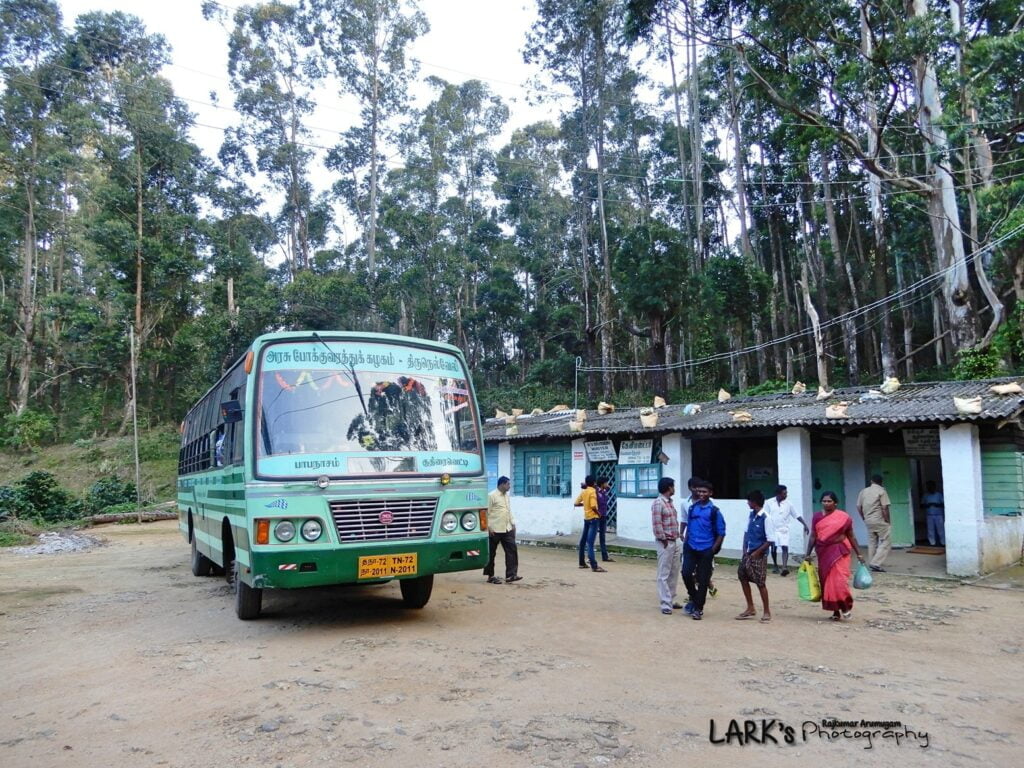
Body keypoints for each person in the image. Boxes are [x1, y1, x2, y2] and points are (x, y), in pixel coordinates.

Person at [806, 491, 866, 621]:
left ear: (835, 503)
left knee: (839, 582)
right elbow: (813, 536)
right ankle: (835, 612)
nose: (826, 503)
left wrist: (859, 554)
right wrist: (807, 553)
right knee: (827, 582)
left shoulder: (844, 517)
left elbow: (851, 535)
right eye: (824, 501)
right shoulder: (816, 517)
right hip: (823, 552)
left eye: (829, 501)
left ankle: (845, 607)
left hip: (840, 551)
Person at [681, 479, 726, 621]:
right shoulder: (692, 508)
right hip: (691, 546)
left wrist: (712, 550)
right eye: (699, 491)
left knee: (703, 579)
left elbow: (721, 533)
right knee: (686, 573)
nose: (701, 493)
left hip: (706, 549)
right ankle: (694, 598)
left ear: (710, 493)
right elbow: (689, 525)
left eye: (704, 491)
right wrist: (686, 542)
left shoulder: (714, 512)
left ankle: (698, 609)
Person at [736, 490, 774, 623]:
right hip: (749, 553)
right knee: (743, 576)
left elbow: (770, 540)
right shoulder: (751, 515)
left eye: (749, 501)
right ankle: (750, 607)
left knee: (760, 582)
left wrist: (757, 552)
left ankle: (766, 611)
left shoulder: (766, 518)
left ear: (754, 502)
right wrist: (744, 550)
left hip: (759, 554)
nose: (747, 503)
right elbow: (746, 533)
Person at [681, 477, 718, 597]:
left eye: (701, 490)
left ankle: (707, 585)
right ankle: (693, 594)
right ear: (691, 488)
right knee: (688, 570)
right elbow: (684, 520)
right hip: (691, 540)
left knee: (705, 570)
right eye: (696, 488)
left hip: (706, 542)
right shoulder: (685, 504)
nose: (699, 491)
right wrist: (682, 534)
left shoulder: (711, 504)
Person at [651, 476, 682, 615]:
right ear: (669, 488)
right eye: (673, 486)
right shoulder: (659, 503)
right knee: (663, 573)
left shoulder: (669, 502)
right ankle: (665, 603)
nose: (674, 489)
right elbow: (657, 524)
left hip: (674, 541)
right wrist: (663, 539)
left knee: (674, 572)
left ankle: (670, 599)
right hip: (665, 542)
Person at [764, 484, 808, 576]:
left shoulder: (789, 504)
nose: (786, 495)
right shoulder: (769, 502)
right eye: (784, 494)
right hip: (773, 529)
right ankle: (775, 566)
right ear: (778, 494)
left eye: (786, 493)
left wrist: (804, 524)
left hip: (784, 529)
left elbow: (796, 515)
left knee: (785, 547)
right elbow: (765, 516)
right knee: (773, 549)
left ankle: (784, 567)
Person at [484, 476, 521, 584]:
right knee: (491, 553)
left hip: (507, 528)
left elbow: (508, 511)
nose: (509, 486)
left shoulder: (506, 496)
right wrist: (488, 527)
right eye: (508, 484)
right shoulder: (491, 496)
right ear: (502, 484)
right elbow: (486, 513)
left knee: (512, 551)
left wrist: (513, 523)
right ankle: (490, 576)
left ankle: (511, 575)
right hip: (494, 529)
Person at [856, 474, 892, 572]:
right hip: (879, 520)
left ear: (871, 481)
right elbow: (884, 508)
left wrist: (864, 517)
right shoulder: (882, 491)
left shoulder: (863, 491)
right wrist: (888, 520)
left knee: (872, 542)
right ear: (881, 482)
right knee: (886, 541)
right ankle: (875, 563)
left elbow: (858, 507)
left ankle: (872, 562)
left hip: (868, 520)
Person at [574, 475, 606, 572]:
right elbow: (593, 506)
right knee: (590, 543)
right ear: (594, 483)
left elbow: (576, 503)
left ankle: (582, 563)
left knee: (583, 541)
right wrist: (599, 514)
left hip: (586, 518)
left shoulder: (584, 492)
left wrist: (583, 504)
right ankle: (594, 565)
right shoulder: (592, 492)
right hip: (593, 518)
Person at [596, 478, 615, 562]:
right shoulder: (596, 492)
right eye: (606, 483)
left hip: (603, 515)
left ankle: (605, 556)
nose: (607, 484)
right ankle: (590, 556)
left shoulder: (603, 491)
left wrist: (607, 486)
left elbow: (608, 487)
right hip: (596, 516)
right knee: (592, 537)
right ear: (602, 483)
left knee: (602, 537)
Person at [922, 481, 945, 547]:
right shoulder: (925, 495)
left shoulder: (939, 495)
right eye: (929, 487)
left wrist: (936, 505)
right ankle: (932, 543)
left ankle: (943, 543)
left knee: (941, 529)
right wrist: (927, 505)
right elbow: (921, 505)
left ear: (934, 487)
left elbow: (943, 504)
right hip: (929, 515)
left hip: (939, 515)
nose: (930, 488)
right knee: (930, 530)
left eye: (931, 486)